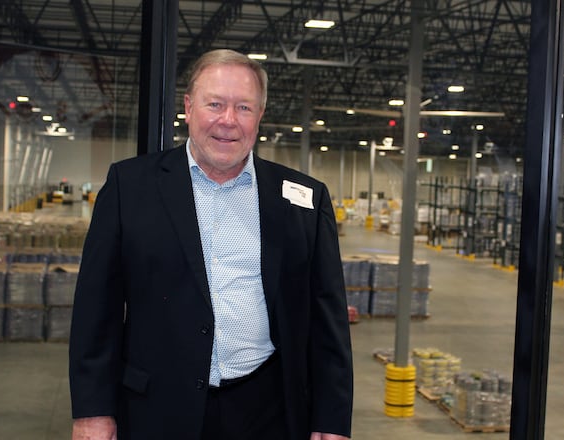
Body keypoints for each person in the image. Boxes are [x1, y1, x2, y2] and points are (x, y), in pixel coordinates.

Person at [69, 49, 353, 440]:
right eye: (215, 104)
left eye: (244, 108)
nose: (228, 121)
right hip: (157, 409)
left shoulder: (304, 199)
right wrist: (92, 412)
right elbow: (94, 312)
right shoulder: (129, 187)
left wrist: (331, 420)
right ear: (189, 107)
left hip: (268, 410)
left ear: (260, 116)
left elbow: (328, 321)